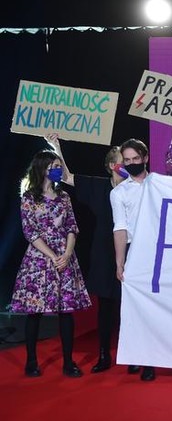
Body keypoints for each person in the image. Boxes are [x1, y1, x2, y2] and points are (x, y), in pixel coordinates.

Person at [46, 134, 125, 373]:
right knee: (106, 306)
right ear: (112, 165)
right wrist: (56, 146)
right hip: (104, 251)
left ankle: (132, 355)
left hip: (130, 250)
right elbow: (67, 177)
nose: (127, 164)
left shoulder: (137, 188)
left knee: (130, 306)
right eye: (122, 161)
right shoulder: (99, 186)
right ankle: (104, 354)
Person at [12, 150, 91, 378]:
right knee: (34, 311)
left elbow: (72, 226)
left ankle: (68, 362)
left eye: (58, 166)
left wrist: (66, 253)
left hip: (64, 257)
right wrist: (51, 255)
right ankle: (31, 361)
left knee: (66, 311)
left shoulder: (64, 197)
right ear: (42, 168)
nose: (58, 170)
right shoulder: (29, 197)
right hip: (39, 259)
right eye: (54, 167)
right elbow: (30, 231)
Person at [110, 138, 157, 382]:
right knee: (136, 308)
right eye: (127, 160)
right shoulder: (119, 192)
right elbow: (120, 228)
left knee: (156, 308)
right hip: (136, 252)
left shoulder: (160, 184)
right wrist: (120, 262)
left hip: (162, 253)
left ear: (145, 158)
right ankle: (139, 357)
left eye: (135, 159)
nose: (131, 163)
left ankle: (154, 358)